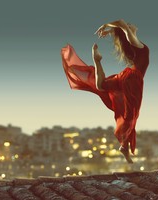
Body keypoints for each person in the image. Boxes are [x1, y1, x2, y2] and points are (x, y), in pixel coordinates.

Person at [61, 19, 149, 163]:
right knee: (131, 114)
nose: (131, 24)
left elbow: (121, 26)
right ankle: (124, 145)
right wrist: (107, 25)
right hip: (133, 79)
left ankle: (97, 60)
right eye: (129, 25)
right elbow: (121, 23)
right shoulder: (135, 43)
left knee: (103, 87)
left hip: (127, 76)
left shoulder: (133, 42)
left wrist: (113, 31)